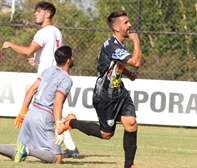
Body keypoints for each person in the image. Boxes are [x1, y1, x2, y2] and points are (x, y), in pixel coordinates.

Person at [57, 10, 142, 168]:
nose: (130, 25)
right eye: (126, 23)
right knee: (106, 134)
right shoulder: (112, 46)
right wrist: (136, 42)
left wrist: (127, 73)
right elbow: (136, 62)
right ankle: (71, 122)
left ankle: (129, 165)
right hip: (105, 96)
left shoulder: (118, 44)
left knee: (131, 123)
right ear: (116, 28)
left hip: (119, 92)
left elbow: (114, 65)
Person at [1, 1, 79, 158]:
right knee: (54, 112)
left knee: (43, 110)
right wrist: (37, 61)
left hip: (46, 77)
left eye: (38, 11)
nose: (35, 14)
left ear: (47, 14)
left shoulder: (42, 32)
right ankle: (69, 148)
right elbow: (54, 54)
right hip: (57, 74)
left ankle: (35, 148)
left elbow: (29, 50)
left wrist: (10, 44)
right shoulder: (57, 31)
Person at [0, 46, 74, 164]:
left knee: (17, 154)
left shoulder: (48, 70)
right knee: (57, 159)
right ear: (68, 60)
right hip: (43, 116)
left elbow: (31, 91)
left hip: (32, 111)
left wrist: (23, 111)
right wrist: (58, 125)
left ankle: (25, 150)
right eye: (72, 56)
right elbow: (57, 102)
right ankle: (28, 150)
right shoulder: (66, 79)